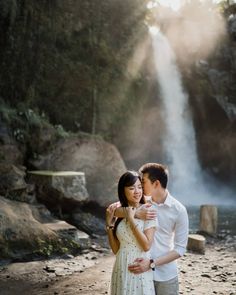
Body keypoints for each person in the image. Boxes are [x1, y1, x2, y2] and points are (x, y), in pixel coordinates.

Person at [109, 163, 189, 295]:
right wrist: (135, 213)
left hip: (164, 275)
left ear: (156, 183)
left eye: (143, 182)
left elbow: (180, 249)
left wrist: (151, 263)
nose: (139, 185)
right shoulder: (142, 201)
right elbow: (113, 210)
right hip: (138, 272)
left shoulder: (179, 210)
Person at [106, 170, 157, 295]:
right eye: (132, 188)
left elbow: (146, 246)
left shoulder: (148, 210)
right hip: (121, 266)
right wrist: (109, 225)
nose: (137, 191)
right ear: (123, 190)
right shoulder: (119, 212)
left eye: (140, 187)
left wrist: (131, 219)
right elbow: (116, 250)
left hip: (139, 267)